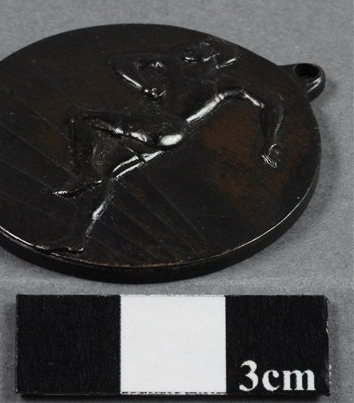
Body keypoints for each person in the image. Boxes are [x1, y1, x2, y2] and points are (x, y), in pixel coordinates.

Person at [40, 37, 285, 253]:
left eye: (201, 45)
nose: (191, 47)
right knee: (106, 174)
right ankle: (77, 237)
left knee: (82, 119)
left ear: (213, 54)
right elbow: (121, 61)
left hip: (169, 126)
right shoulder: (172, 65)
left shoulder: (222, 84)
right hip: (162, 133)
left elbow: (271, 100)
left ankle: (86, 172)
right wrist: (143, 83)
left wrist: (271, 139)